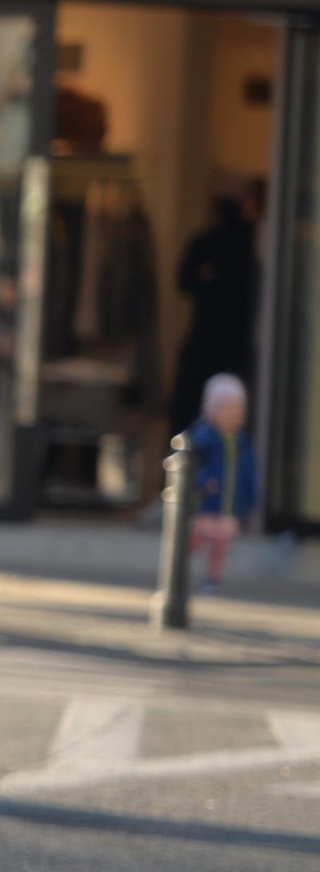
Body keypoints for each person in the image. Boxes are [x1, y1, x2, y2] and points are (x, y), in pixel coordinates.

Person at [168, 192, 260, 434]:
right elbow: (185, 281)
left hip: (223, 340)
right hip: (220, 339)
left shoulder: (242, 244)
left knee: (215, 412)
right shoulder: (219, 243)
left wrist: (212, 283)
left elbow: (186, 281)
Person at [185, 373, 259, 592]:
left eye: (237, 409)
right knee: (195, 540)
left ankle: (212, 580)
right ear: (211, 411)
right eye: (226, 408)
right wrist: (202, 481)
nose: (232, 414)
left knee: (220, 546)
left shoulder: (244, 443)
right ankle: (178, 570)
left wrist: (250, 499)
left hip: (228, 506)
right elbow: (191, 464)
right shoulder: (202, 437)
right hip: (205, 504)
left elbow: (249, 474)